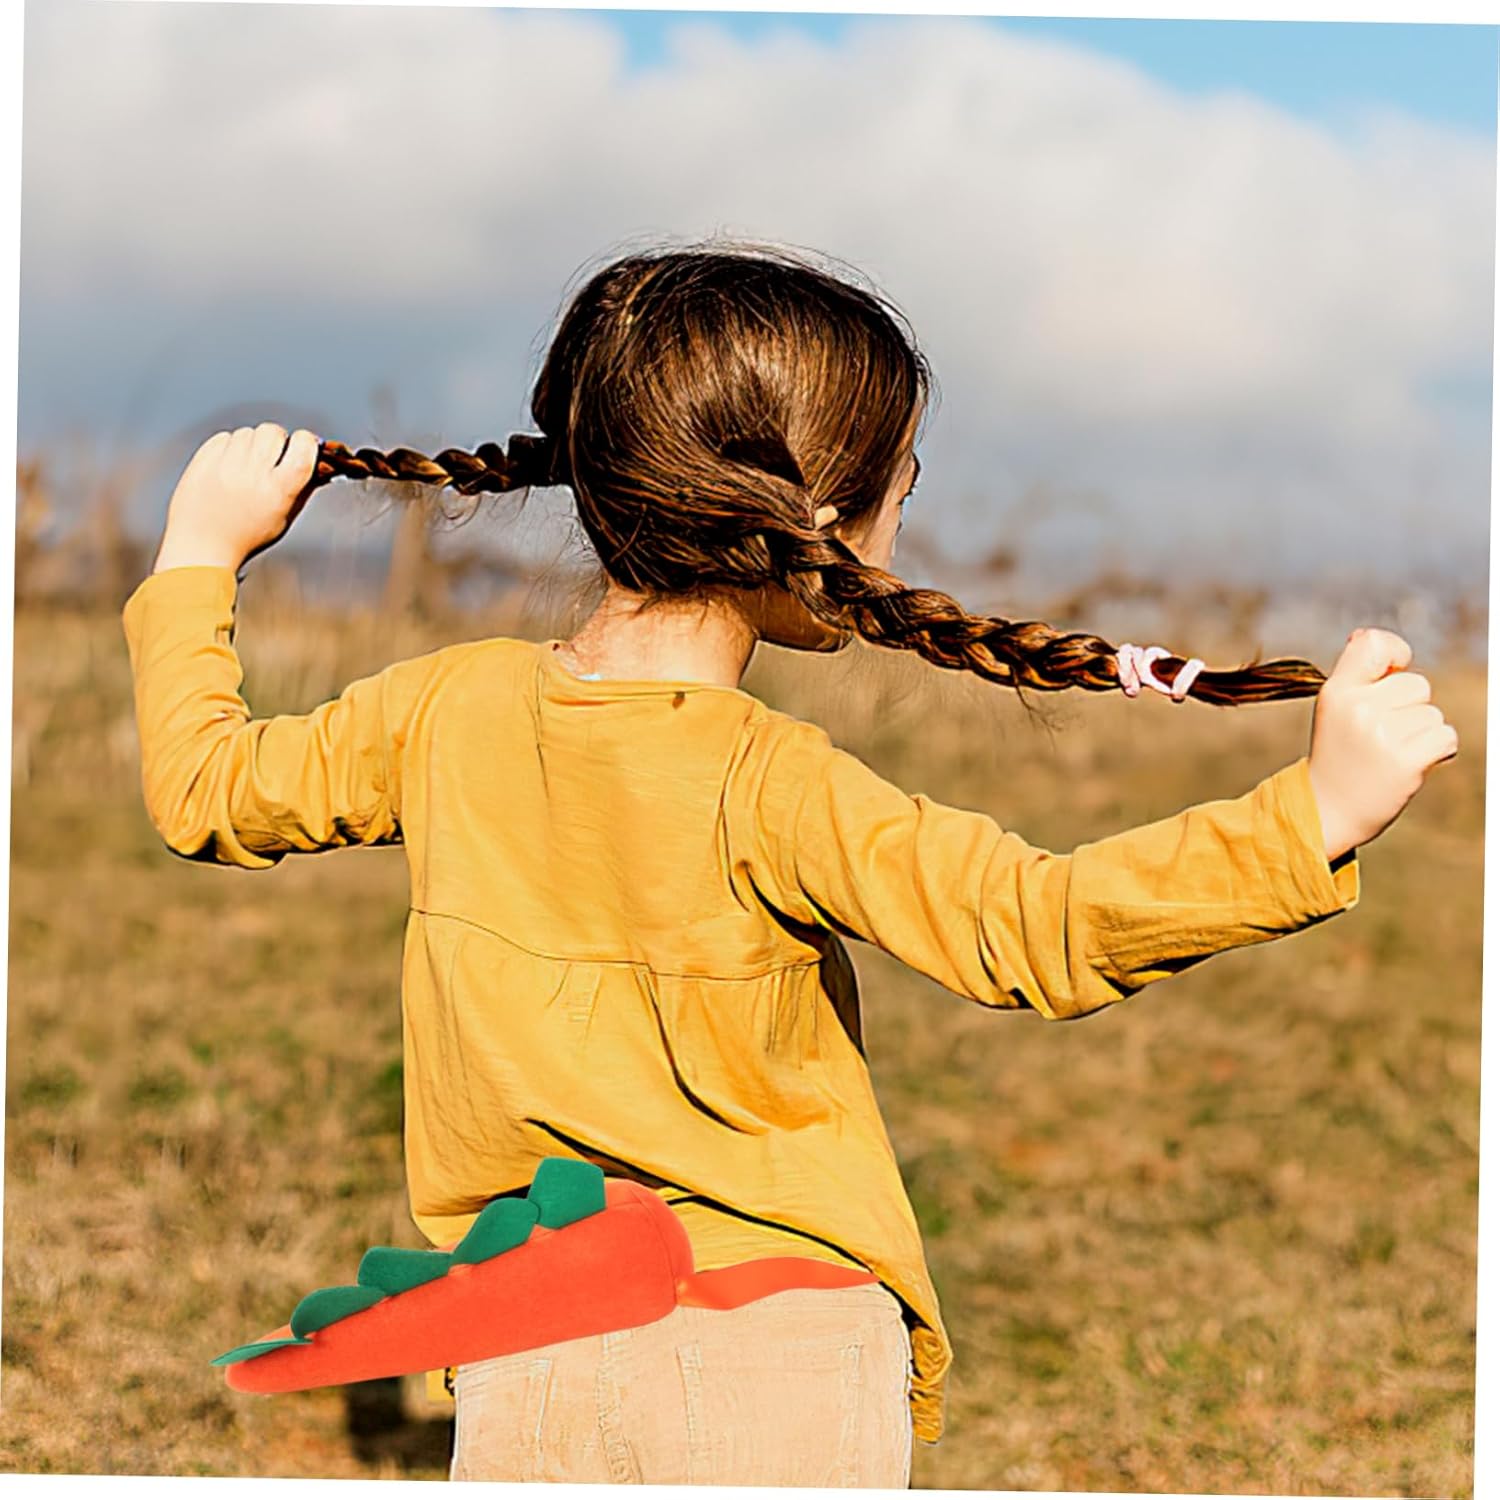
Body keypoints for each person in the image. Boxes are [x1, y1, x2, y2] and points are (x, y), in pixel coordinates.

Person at [121, 241, 1457, 1487]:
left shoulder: (441, 711)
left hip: (527, 1346)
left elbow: (205, 790)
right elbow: (1037, 926)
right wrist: (1312, 817)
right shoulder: (771, 781)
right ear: (814, 516)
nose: (899, 529)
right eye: (901, 490)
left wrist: (199, 558)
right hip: (787, 1356)